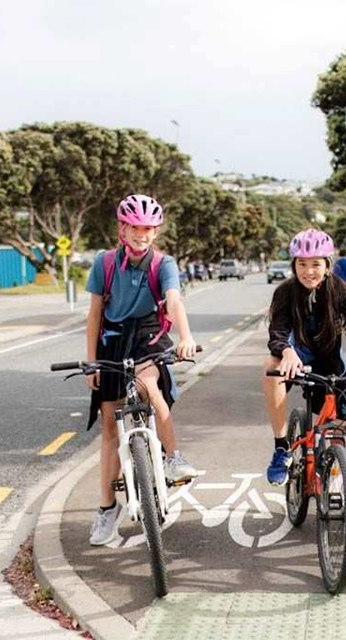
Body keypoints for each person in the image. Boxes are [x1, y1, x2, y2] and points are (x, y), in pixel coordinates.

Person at [262, 229, 346, 551]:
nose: (309, 271)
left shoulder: (338, 290)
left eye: (316, 264)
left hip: (330, 366)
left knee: (345, 442)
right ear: (294, 264)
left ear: (327, 264)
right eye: (303, 264)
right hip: (296, 359)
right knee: (269, 365)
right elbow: (277, 332)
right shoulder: (284, 292)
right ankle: (282, 447)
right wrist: (287, 351)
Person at [83, 194, 199, 546]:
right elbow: (94, 315)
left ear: (155, 231)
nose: (142, 235)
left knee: (150, 388)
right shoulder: (103, 264)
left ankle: (174, 458)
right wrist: (91, 360)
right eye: (135, 228)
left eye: (148, 229)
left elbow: (174, 300)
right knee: (109, 426)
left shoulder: (164, 263)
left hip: (150, 336)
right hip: (113, 341)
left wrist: (186, 337)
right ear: (123, 229)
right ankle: (107, 510)